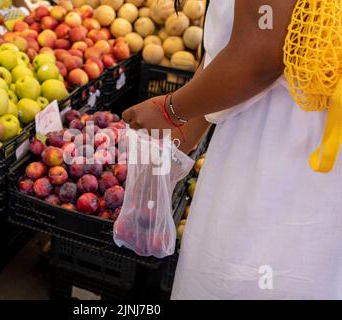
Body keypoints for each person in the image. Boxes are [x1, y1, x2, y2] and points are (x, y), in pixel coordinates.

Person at [123, 0, 342, 299]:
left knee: (247, 276)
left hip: (280, 158)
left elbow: (259, 58)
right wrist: (188, 124)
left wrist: (172, 110)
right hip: (283, 143)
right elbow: (239, 41)